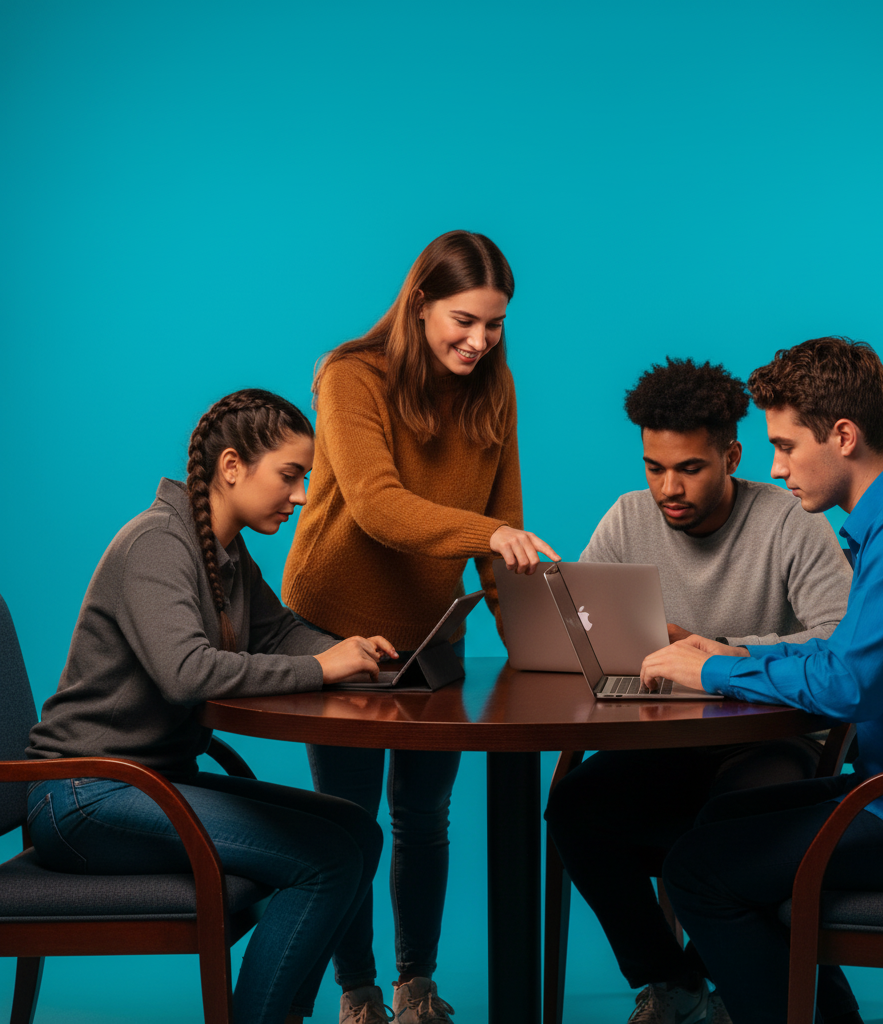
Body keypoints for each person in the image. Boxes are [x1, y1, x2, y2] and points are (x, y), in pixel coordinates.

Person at [637, 337, 883, 1024]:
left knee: (699, 871)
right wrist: (722, 653)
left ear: (842, 436)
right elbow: (840, 659)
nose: (774, 467)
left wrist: (717, 669)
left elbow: (851, 687)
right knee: (721, 820)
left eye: (786, 447)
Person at [27, 389, 396, 1024]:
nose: (302, 494)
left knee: (357, 831)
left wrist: (350, 652)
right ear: (232, 468)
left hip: (144, 784)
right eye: (290, 475)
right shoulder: (157, 543)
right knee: (327, 861)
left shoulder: (221, 550)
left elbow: (276, 634)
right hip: (82, 795)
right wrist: (319, 668)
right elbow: (186, 672)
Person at [281, 230, 558, 1024]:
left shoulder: (495, 391)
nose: (480, 341)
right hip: (335, 627)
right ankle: (357, 993)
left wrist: (533, 651)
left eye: (496, 325)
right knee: (349, 822)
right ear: (421, 303)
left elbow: (507, 529)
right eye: (465, 321)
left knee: (424, 816)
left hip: (433, 629)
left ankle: (416, 988)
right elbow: (376, 503)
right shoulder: (350, 375)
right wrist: (486, 537)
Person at [545, 356, 852, 1024]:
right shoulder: (628, 518)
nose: (668, 488)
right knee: (574, 809)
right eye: (655, 468)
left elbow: (839, 640)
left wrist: (716, 649)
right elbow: (584, 621)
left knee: (729, 833)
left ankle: (741, 985)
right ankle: (673, 983)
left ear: (732, 456)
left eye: (690, 468)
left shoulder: (789, 520)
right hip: (665, 742)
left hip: (768, 740)